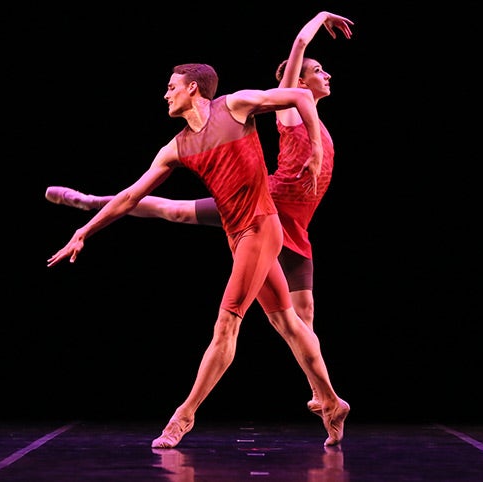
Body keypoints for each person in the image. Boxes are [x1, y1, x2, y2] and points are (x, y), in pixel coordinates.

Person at [46, 11, 352, 417]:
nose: (326, 75)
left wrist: (316, 146)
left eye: (170, 87)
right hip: (265, 205)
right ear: (298, 80)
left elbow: (304, 93)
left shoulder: (303, 118)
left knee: (301, 320)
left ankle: (325, 398)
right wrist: (319, 18)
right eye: (318, 70)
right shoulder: (287, 111)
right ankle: (89, 201)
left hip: (298, 225)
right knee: (174, 212)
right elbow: (297, 52)